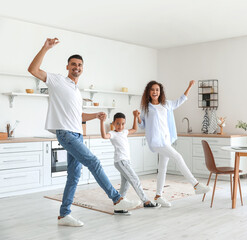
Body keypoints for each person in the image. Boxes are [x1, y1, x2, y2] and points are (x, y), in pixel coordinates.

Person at [28, 38, 139, 227]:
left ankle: (64, 215)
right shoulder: (57, 80)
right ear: (67, 66)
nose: (76, 67)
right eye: (73, 64)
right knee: (93, 162)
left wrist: (96, 115)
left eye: (79, 65)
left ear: (82, 68)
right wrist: (45, 48)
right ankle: (117, 200)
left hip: (76, 134)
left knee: (74, 176)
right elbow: (33, 70)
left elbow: (78, 116)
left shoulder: (76, 91)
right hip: (66, 134)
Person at [138, 80, 211, 207]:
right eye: (152, 90)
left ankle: (158, 196)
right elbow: (142, 125)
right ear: (148, 92)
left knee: (162, 169)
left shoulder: (166, 104)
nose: (155, 92)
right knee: (178, 157)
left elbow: (181, 100)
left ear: (160, 92)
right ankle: (195, 185)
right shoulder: (146, 108)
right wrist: (137, 117)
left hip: (166, 140)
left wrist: (189, 86)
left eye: (157, 90)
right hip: (156, 141)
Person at [99, 110, 161, 214]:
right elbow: (104, 136)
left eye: (123, 124)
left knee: (126, 183)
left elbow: (134, 129)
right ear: (113, 123)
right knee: (135, 180)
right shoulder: (112, 133)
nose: (120, 126)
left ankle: (119, 204)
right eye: (118, 123)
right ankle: (146, 201)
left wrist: (135, 117)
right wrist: (101, 122)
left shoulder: (124, 132)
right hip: (121, 161)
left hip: (126, 161)